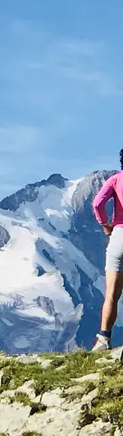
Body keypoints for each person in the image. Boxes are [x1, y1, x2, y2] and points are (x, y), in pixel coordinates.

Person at [92, 149, 123, 351]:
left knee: (111, 292)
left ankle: (103, 339)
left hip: (119, 236)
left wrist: (105, 225)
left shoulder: (115, 180)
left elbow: (97, 204)